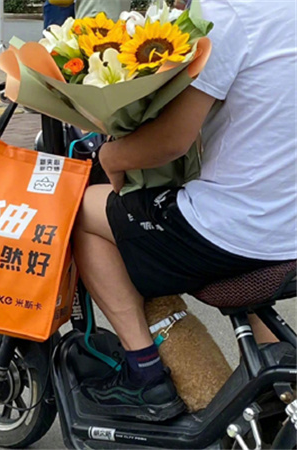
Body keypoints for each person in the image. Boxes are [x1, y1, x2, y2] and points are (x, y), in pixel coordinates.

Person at [73, 0, 296, 421]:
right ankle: (276, 377)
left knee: (82, 210)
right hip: (287, 225)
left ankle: (145, 377)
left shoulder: (227, 13)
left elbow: (173, 140)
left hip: (238, 232)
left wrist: (111, 156)